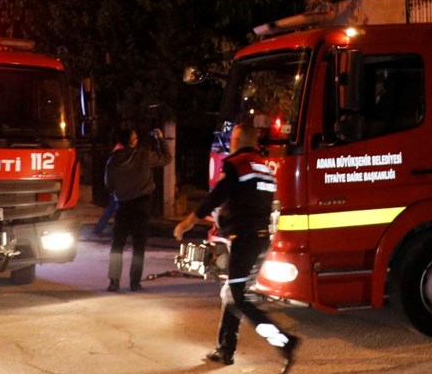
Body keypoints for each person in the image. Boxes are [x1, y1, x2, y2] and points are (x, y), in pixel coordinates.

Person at [174, 119, 299, 372]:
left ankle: (284, 340)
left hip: (245, 239)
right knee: (233, 293)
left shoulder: (238, 166)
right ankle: (225, 349)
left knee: (240, 298)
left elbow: (214, 197)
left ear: (236, 142)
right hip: (261, 238)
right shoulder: (264, 167)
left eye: (231, 140)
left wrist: (187, 223)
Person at [105, 127, 172, 292]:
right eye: (135, 138)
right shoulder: (143, 156)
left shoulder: (112, 161)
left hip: (122, 206)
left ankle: (114, 281)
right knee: (138, 246)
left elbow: (108, 185)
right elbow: (166, 158)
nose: (137, 140)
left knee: (117, 245)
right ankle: (135, 283)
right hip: (141, 206)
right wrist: (160, 140)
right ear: (131, 142)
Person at [91, 138, 127, 237]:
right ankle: (115, 230)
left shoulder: (113, 159)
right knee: (118, 210)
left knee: (112, 210)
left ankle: (100, 229)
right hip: (119, 190)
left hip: (116, 190)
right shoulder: (120, 158)